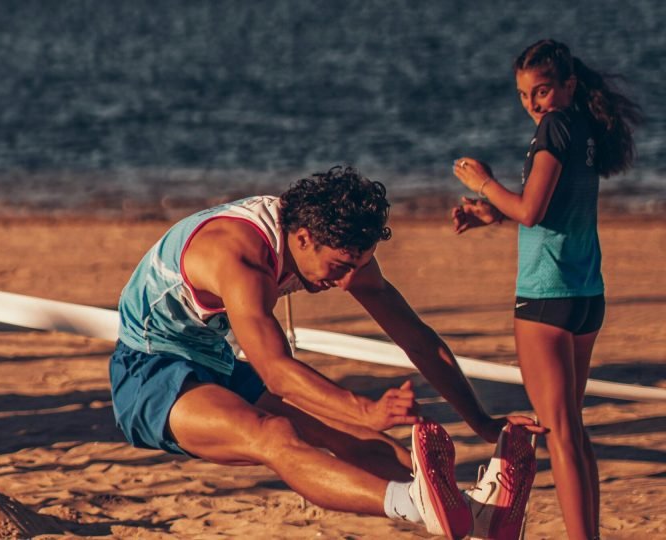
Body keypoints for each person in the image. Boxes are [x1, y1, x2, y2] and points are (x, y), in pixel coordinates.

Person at [110, 166, 541, 538]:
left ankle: (477, 520)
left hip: (213, 358)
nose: (345, 280)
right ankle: (437, 510)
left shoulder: (335, 244)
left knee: (364, 441)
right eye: (339, 268)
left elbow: (416, 338)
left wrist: (480, 420)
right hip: (148, 371)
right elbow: (278, 373)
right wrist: (362, 407)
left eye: (357, 266)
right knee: (275, 435)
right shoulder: (240, 257)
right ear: (302, 238)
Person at [452, 39, 642, 540]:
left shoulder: (553, 127)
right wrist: (491, 214)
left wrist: (484, 183)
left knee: (558, 433)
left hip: (547, 297)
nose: (532, 103)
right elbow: (552, 212)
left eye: (541, 91)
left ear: (567, 85)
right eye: (523, 95)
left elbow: (532, 211)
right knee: (572, 431)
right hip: (584, 294)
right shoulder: (580, 130)